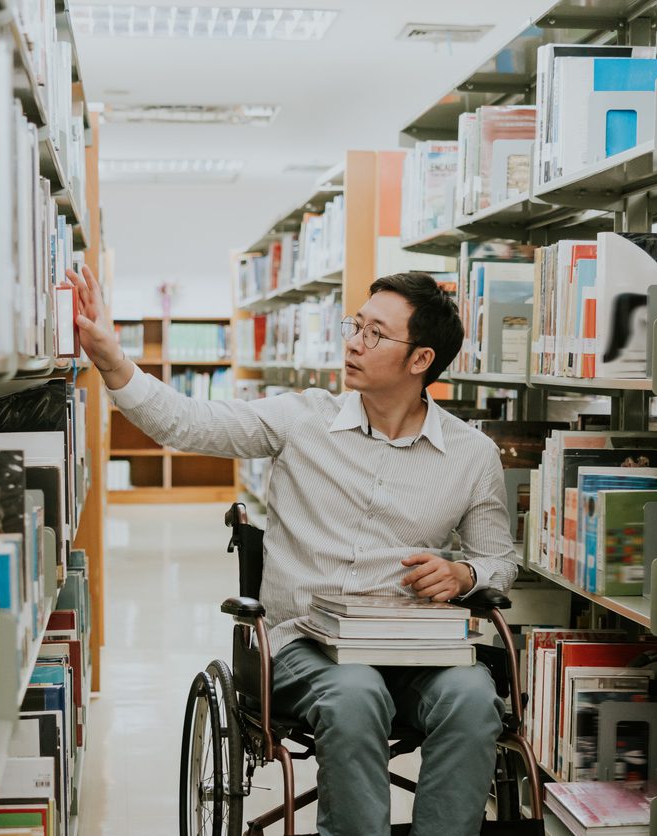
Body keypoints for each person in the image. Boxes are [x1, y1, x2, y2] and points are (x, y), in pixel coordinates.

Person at [69, 265, 520, 836]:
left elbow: (500, 559)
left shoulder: (472, 454)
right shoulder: (303, 418)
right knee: (355, 695)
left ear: (421, 360)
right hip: (306, 644)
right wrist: (113, 360)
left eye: (375, 333)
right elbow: (188, 423)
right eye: (356, 324)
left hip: (415, 648)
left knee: (474, 696)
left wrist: (463, 572)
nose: (353, 342)